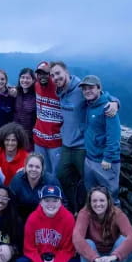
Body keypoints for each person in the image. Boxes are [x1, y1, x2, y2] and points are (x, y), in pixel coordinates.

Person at [50, 62, 119, 213]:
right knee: (62, 175)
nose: (55, 77)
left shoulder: (80, 89)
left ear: (66, 73)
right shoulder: (59, 91)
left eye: (58, 73)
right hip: (67, 144)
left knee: (90, 186)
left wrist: (114, 102)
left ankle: (91, 214)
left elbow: (101, 95)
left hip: (82, 146)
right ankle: (74, 209)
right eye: (52, 75)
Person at [14, 185, 81, 262]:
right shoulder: (32, 218)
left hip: (59, 258)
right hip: (38, 258)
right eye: (47, 200)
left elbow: (67, 250)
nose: (51, 204)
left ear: (60, 202)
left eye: (55, 200)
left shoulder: (68, 218)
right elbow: (29, 250)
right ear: (41, 202)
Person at [73, 187, 132, 262]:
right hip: (94, 259)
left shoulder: (117, 214)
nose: (98, 204)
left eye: (102, 200)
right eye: (94, 201)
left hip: (113, 259)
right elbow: (77, 238)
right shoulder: (84, 213)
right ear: (89, 202)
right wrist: (96, 258)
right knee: (87, 243)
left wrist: (113, 257)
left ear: (108, 201)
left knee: (123, 240)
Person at [80, 75, 122, 205]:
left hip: (105, 162)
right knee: (92, 196)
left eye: (91, 88)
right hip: (90, 158)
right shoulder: (88, 105)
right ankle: (96, 224)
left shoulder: (108, 108)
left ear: (99, 88)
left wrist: (108, 157)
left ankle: (113, 224)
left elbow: (114, 135)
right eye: (85, 88)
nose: (87, 91)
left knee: (110, 197)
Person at [10, 153, 64, 221]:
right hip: (21, 218)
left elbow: (63, 203)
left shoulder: (51, 181)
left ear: (42, 169)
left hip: (45, 219)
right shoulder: (17, 179)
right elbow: (10, 203)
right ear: (25, 167)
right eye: (30, 166)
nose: (33, 169)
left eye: (37, 167)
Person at [32, 62, 62, 177]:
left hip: (56, 141)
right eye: (40, 73)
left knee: (56, 175)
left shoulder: (58, 87)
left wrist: (114, 101)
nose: (42, 76)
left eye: (46, 73)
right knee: (41, 172)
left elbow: (80, 89)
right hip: (39, 140)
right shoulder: (36, 86)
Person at [13, 68, 36, 151]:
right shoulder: (16, 93)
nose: (25, 80)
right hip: (15, 136)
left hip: (30, 139)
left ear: (33, 80)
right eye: (22, 77)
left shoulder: (36, 96)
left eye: (28, 78)